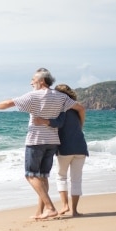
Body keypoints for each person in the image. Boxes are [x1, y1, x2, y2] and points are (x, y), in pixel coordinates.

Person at [0, 68, 78, 220]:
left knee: (30, 175)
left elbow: (10, 103)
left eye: (33, 80)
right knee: (42, 176)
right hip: (52, 141)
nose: (31, 82)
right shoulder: (61, 97)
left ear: (41, 81)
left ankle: (50, 208)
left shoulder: (34, 96)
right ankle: (40, 212)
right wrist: (78, 127)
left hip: (36, 141)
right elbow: (79, 107)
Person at [34, 84, 87, 217]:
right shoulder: (76, 109)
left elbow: (58, 123)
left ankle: (65, 206)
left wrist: (44, 121)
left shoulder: (59, 109)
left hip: (65, 148)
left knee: (61, 176)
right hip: (81, 147)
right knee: (76, 179)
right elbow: (79, 121)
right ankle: (75, 211)